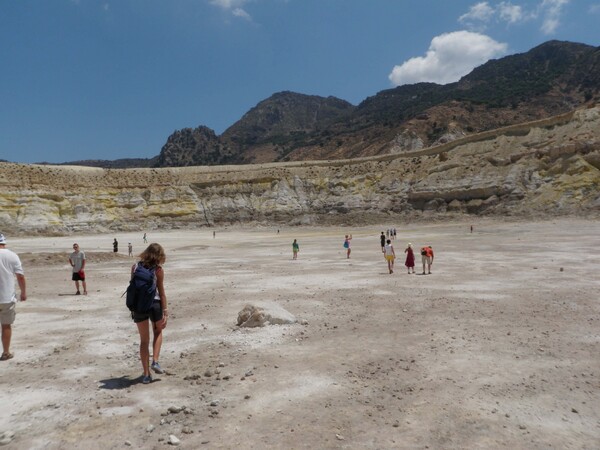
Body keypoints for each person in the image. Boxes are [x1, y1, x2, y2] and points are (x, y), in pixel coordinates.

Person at [132, 243, 168, 384]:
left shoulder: (135, 267)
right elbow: (162, 292)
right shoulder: (158, 270)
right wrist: (165, 311)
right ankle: (155, 361)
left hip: (139, 306)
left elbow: (133, 287)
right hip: (155, 305)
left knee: (144, 341)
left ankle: (146, 375)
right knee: (158, 331)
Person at [0, 233, 26, 361]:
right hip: (6, 297)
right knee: (5, 325)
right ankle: (5, 352)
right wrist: (23, 292)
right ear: (4, 242)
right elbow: (20, 276)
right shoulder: (12, 255)